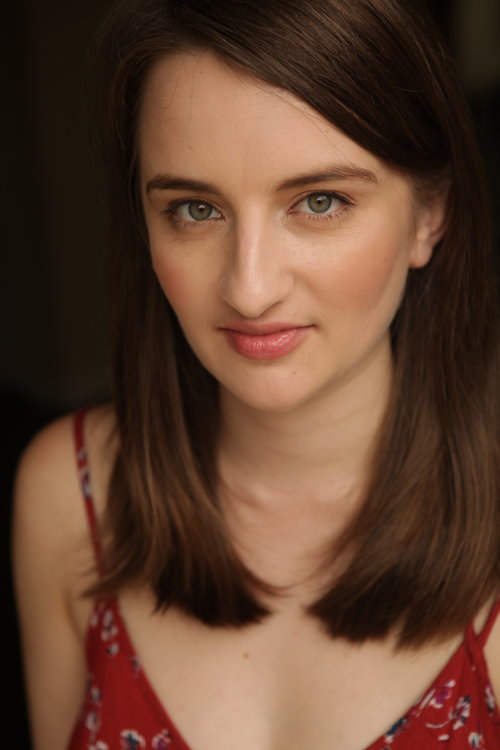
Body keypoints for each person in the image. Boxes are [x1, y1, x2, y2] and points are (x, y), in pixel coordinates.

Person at [12, 0, 500, 748]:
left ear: (429, 214)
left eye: (319, 202)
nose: (249, 288)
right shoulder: (71, 501)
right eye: (195, 210)